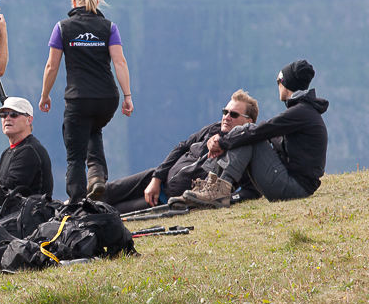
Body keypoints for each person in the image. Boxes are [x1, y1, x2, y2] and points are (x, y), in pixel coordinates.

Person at [184, 60, 329, 207]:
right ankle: (214, 185)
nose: (278, 85)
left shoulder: (301, 113)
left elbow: (261, 131)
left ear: (287, 83)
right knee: (245, 134)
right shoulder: (303, 112)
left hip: (295, 188)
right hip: (293, 183)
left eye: (279, 81)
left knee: (249, 134)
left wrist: (223, 142)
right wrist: (226, 141)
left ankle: (219, 190)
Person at [38, 0, 134, 202]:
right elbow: (120, 62)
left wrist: (45, 95)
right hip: (107, 98)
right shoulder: (109, 27)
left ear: (73, 2)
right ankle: (97, 177)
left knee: (75, 156)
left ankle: (77, 203)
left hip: (79, 99)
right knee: (93, 129)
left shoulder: (63, 27)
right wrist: (127, 96)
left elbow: (51, 66)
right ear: (96, 2)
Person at [100, 91, 259, 213]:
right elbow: (182, 147)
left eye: (234, 114)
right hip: (157, 178)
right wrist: (157, 177)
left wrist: (219, 201)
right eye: (225, 112)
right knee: (104, 191)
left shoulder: (243, 153)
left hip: (168, 201)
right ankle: (74, 205)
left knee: (113, 211)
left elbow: (251, 190)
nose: (226, 117)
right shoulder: (214, 128)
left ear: (249, 121)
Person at [0, 96, 54, 197]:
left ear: (29, 120)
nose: (7, 118)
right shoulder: (9, 152)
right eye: (3, 114)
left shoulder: (29, 150)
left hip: (31, 212)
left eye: (14, 114)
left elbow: (10, 189)